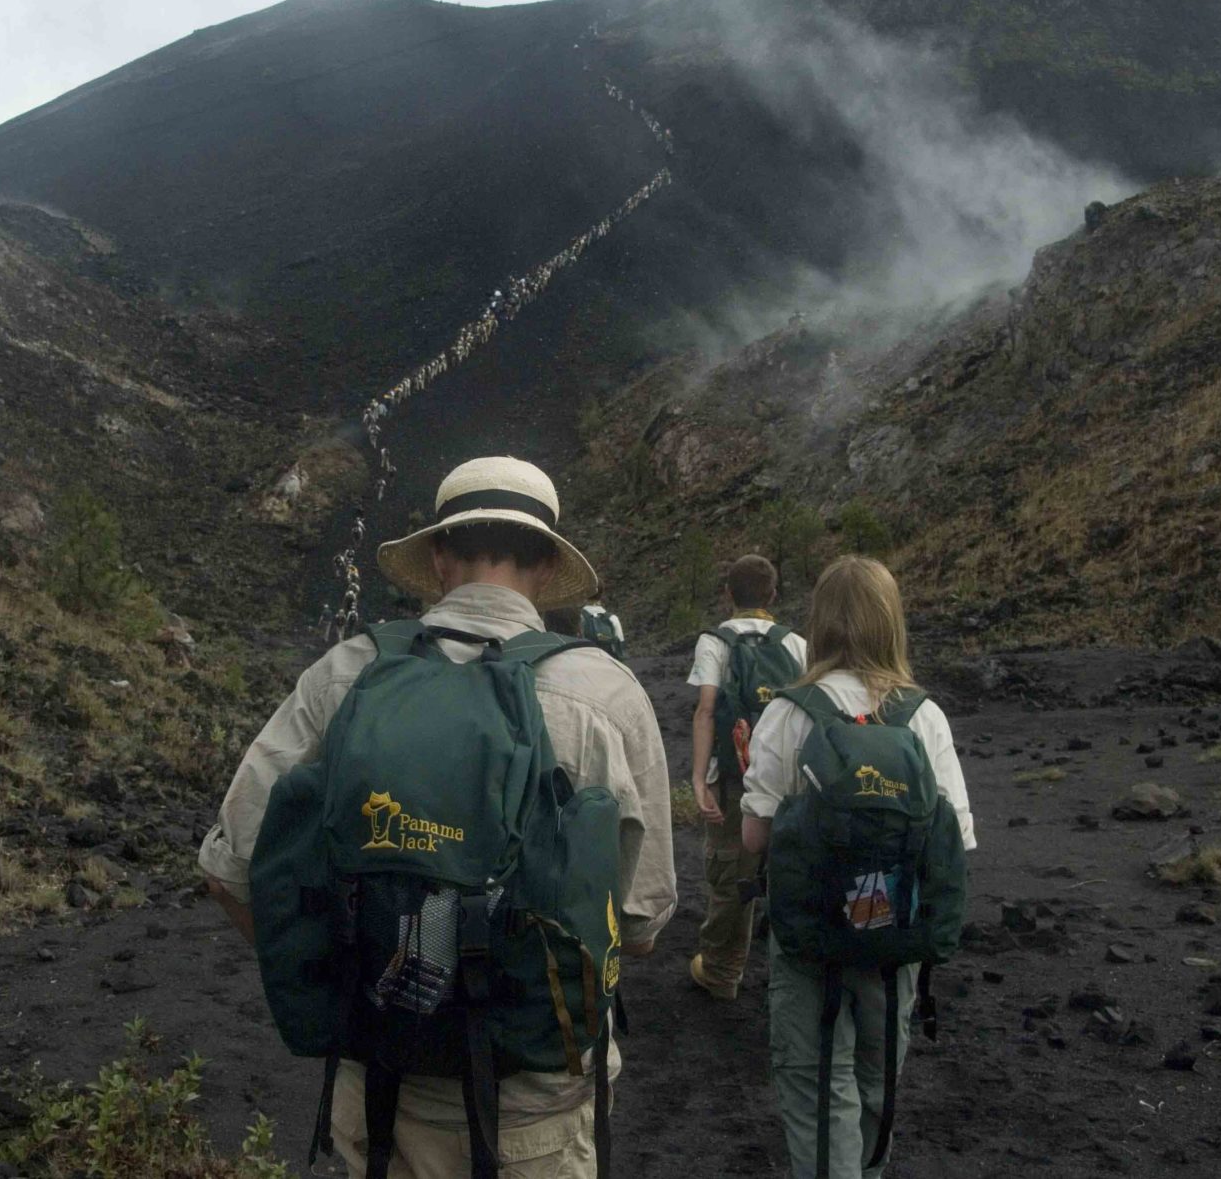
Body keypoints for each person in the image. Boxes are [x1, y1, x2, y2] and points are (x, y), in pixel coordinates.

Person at [200, 456, 677, 1179]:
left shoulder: (348, 672)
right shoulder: (605, 696)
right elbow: (639, 926)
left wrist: (344, 983)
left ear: (438, 555)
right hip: (535, 1109)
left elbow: (229, 868)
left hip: (383, 1096)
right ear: (547, 567)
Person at [740, 556, 975, 1179]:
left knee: (816, 1084)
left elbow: (755, 835)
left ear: (817, 625)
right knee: (877, 1081)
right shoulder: (924, 716)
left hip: (809, 938)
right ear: (891, 623)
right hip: (894, 938)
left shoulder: (789, 713)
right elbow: (957, 840)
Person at [686, 554, 806, 1000]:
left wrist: (700, 781)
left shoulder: (714, 642)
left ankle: (721, 971)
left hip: (734, 777)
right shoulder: (797, 645)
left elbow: (706, 710)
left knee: (730, 874)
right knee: (792, 872)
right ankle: (793, 973)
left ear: (728, 595)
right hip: (790, 780)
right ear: (773, 596)